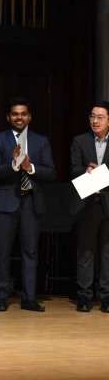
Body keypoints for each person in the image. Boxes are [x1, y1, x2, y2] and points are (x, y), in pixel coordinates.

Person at [0, 97, 55, 312]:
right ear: (8, 117)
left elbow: (51, 172)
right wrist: (15, 166)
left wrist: (30, 166)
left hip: (31, 202)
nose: (19, 117)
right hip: (6, 202)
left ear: (29, 117)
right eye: (15, 114)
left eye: (23, 114)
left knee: (30, 252)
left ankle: (29, 298)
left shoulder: (41, 140)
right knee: (2, 251)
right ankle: (0, 297)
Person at [70, 101, 109, 313]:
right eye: (92, 116)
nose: (95, 121)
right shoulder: (80, 141)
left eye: (100, 117)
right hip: (87, 203)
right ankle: (84, 296)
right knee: (85, 252)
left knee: (107, 252)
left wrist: (103, 174)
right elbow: (73, 167)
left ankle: (107, 297)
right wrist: (86, 170)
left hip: (108, 202)